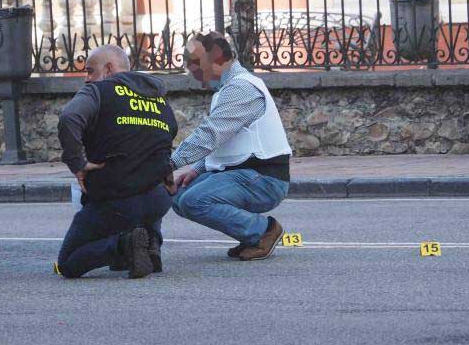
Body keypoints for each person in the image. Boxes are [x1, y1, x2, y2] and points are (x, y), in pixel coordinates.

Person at [56, 44, 177, 279]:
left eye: (90, 71)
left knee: (68, 263)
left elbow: (69, 117)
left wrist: (77, 164)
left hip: (116, 201)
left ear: (109, 69)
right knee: (145, 190)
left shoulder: (98, 92)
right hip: (157, 201)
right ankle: (151, 243)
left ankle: (125, 245)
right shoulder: (160, 101)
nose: (87, 79)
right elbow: (167, 138)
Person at [169, 31, 292, 261]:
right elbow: (224, 142)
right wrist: (197, 169)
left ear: (216, 59)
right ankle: (249, 235)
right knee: (179, 197)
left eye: (196, 67)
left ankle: (263, 231)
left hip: (264, 179)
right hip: (244, 174)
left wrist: (170, 163)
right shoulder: (227, 89)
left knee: (194, 200)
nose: (194, 75)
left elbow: (210, 135)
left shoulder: (241, 89)